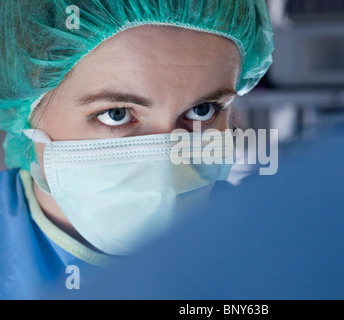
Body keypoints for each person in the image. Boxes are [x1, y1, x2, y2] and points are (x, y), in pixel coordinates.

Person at [0, 0, 274, 299]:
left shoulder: (270, 251)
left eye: (202, 110)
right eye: (116, 113)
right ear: (28, 106)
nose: (168, 166)